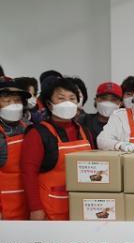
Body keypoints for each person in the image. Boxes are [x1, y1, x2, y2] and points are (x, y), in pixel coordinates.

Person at [21, 77, 93, 220]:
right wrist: (35, 208)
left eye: (72, 98)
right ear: (49, 104)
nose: (67, 103)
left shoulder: (85, 131)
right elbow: (28, 173)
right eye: (61, 98)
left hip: (82, 207)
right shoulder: (37, 133)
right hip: (50, 208)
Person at [0, 80, 33, 220]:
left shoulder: (30, 128)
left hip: (28, 202)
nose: (13, 105)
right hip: (5, 206)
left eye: (17, 100)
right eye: (7, 101)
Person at [78, 82, 123, 147]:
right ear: (96, 100)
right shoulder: (84, 121)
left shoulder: (124, 124)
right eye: (104, 98)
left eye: (113, 100)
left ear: (120, 103)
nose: (108, 102)